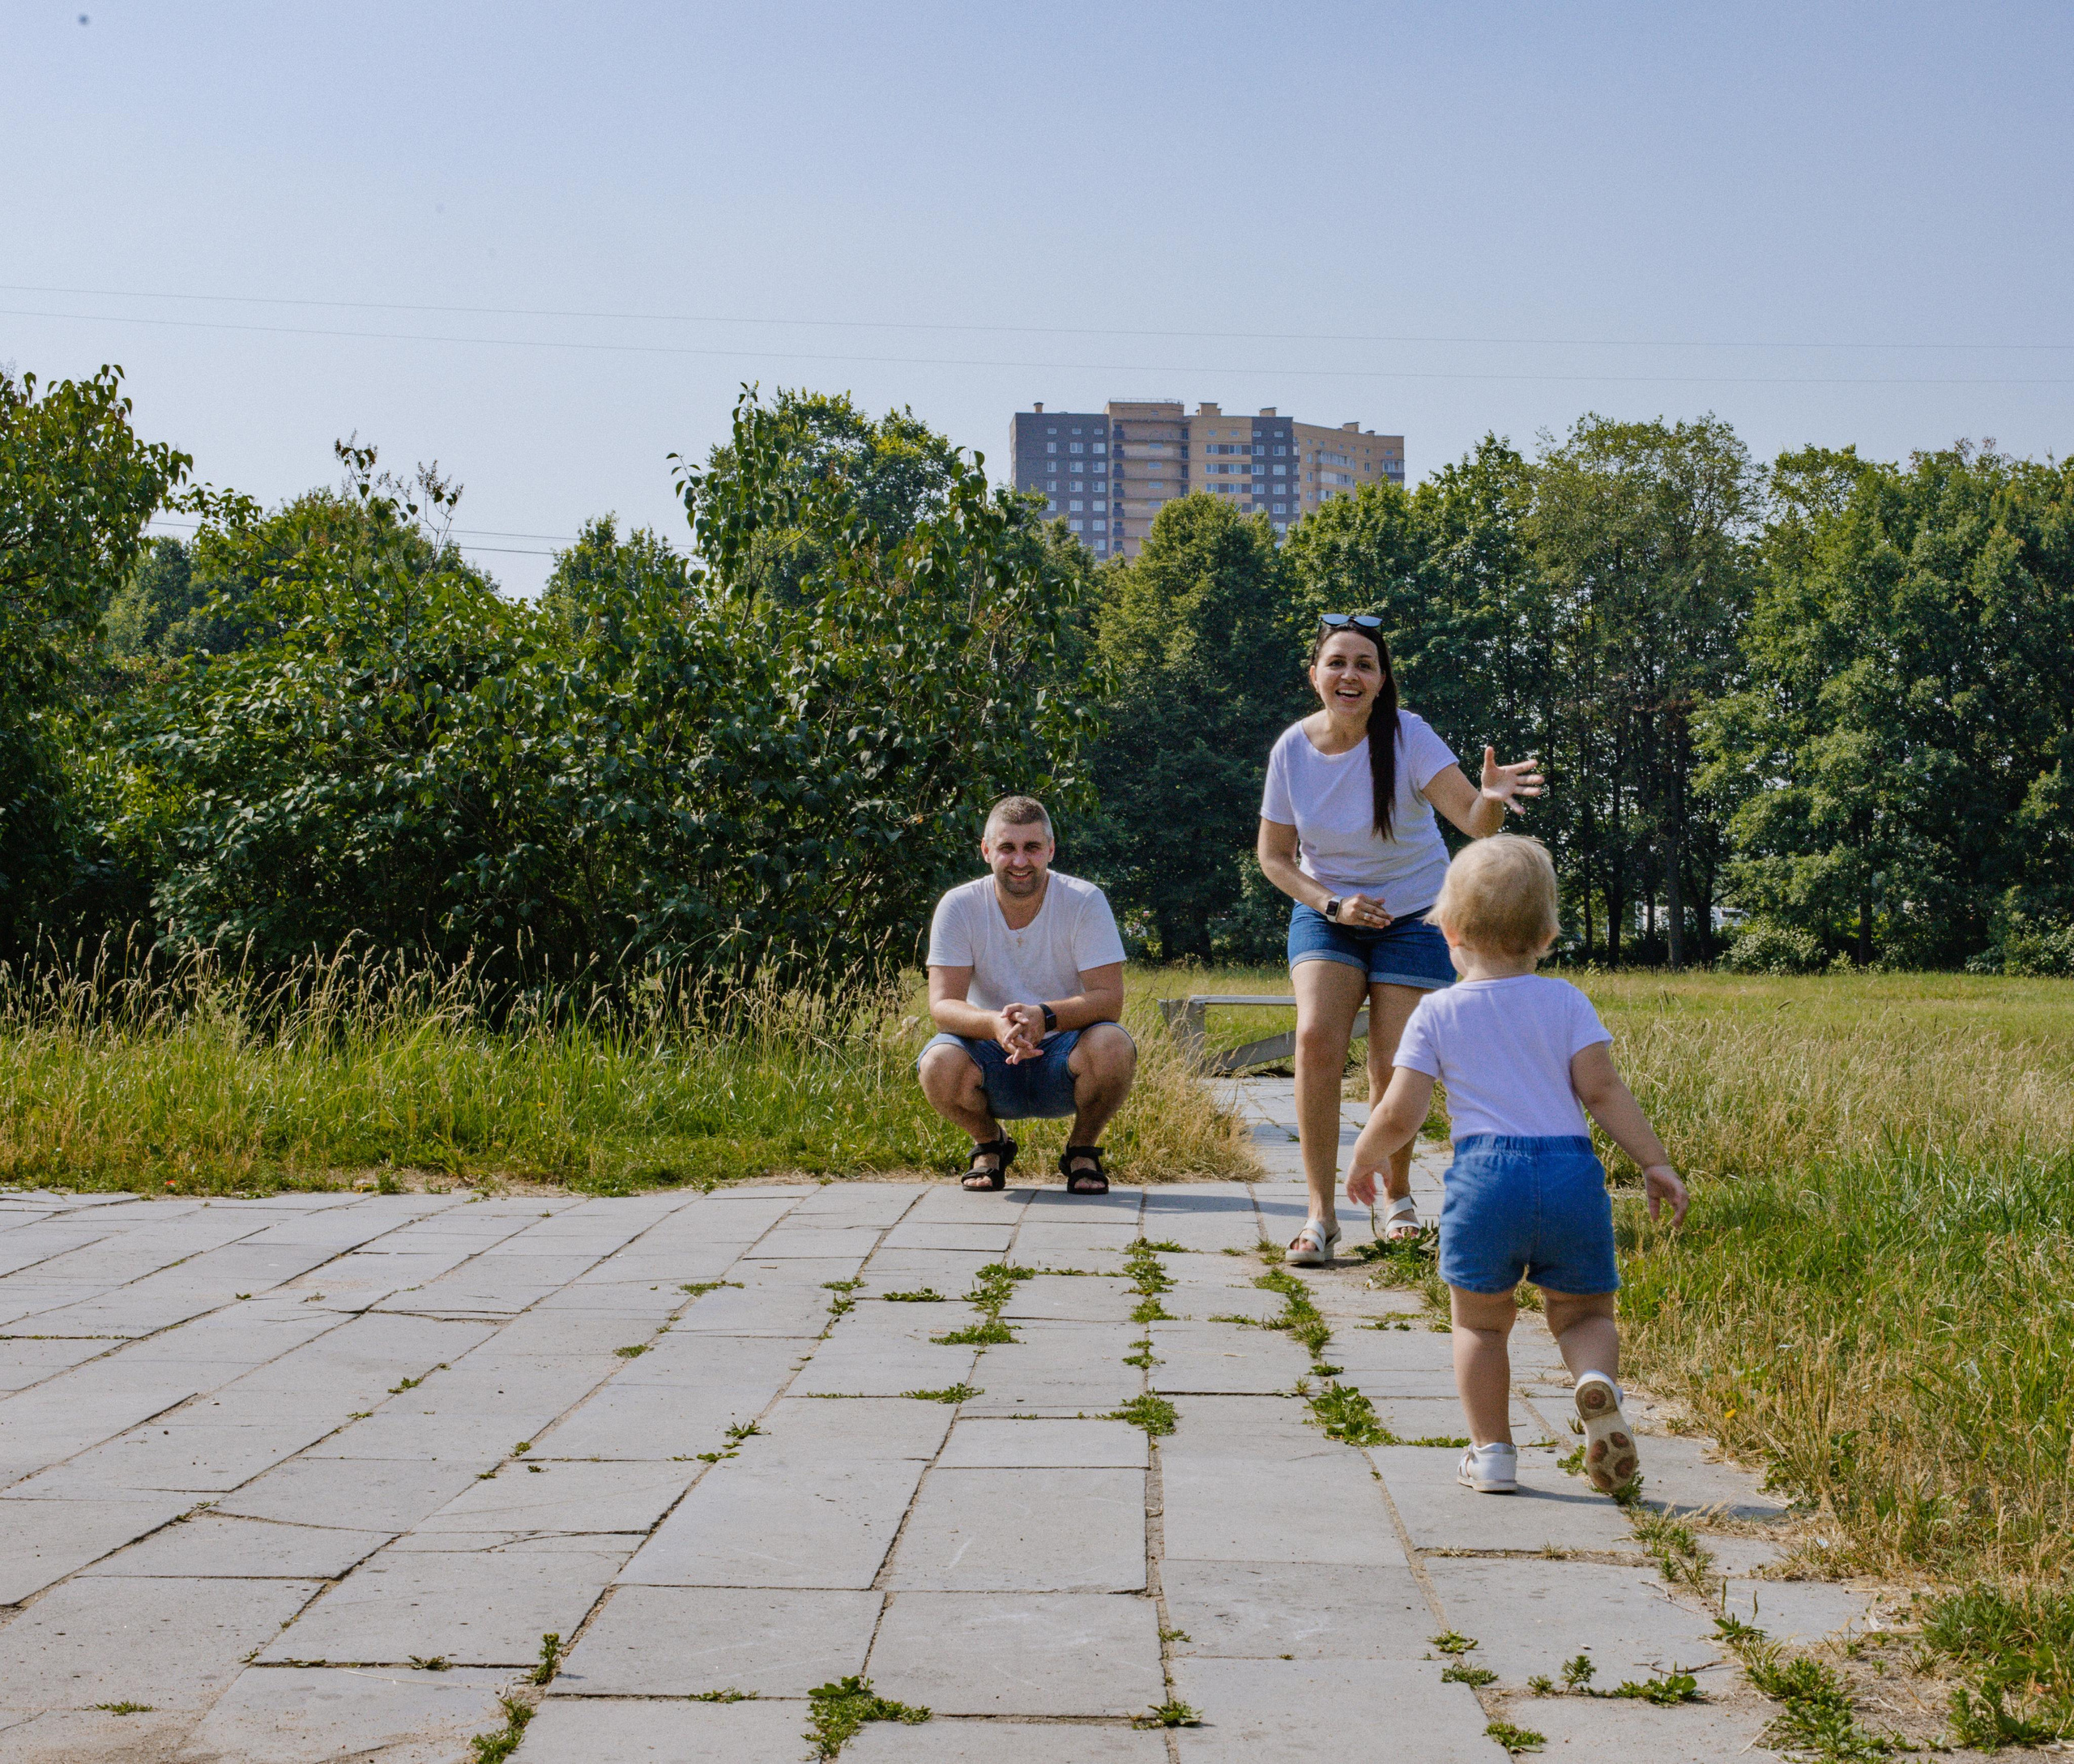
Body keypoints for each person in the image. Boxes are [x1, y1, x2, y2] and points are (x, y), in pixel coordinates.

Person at [1345, 835, 1689, 1497]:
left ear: (1447, 929)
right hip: (1570, 1174)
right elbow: (1603, 1091)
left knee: (1479, 1321)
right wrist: (1654, 1161)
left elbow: (1398, 1112)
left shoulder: (1436, 1012)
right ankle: (1596, 1383)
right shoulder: (1566, 1002)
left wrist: (1365, 1159)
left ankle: (1493, 1452)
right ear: (1548, 935)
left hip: (1485, 1178)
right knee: (1585, 1312)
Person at [1256, 612, 1543, 1266]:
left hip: (1415, 915)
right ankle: (1320, 1214)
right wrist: (1332, 903)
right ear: (1315, 675)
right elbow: (1274, 858)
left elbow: (1474, 820)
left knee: (1395, 1061)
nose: (1349, 675)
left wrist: (1493, 795)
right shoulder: (1291, 751)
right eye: (1338, 662)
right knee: (1315, 1037)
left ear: (1382, 680)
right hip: (1330, 912)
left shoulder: (1409, 736)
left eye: (1364, 664)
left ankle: (1398, 1198)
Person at [918, 795, 1137, 1195]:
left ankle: (1081, 1150)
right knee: (937, 1061)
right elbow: (942, 1006)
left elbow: (1109, 1000)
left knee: (1114, 1044)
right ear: (986, 851)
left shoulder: (1084, 901)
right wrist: (992, 1024)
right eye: (1007, 848)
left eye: (1032, 848)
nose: (1020, 861)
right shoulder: (959, 905)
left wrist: (1044, 1017)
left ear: (1051, 850)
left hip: (1064, 1054)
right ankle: (990, 1144)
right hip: (990, 1053)